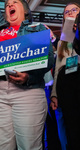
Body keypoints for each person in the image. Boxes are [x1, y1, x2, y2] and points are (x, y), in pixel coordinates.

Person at [0, 0, 54, 149]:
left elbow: (48, 60)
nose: (10, 5)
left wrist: (29, 77)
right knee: (1, 146)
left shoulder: (38, 28)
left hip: (28, 92)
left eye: (14, 2)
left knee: (29, 146)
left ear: (25, 9)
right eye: (7, 4)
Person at [50, 2, 80, 150]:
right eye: (66, 12)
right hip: (65, 92)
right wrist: (54, 94)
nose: (70, 13)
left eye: (74, 10)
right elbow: (58, 68)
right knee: (68, 134)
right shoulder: (63, 41)